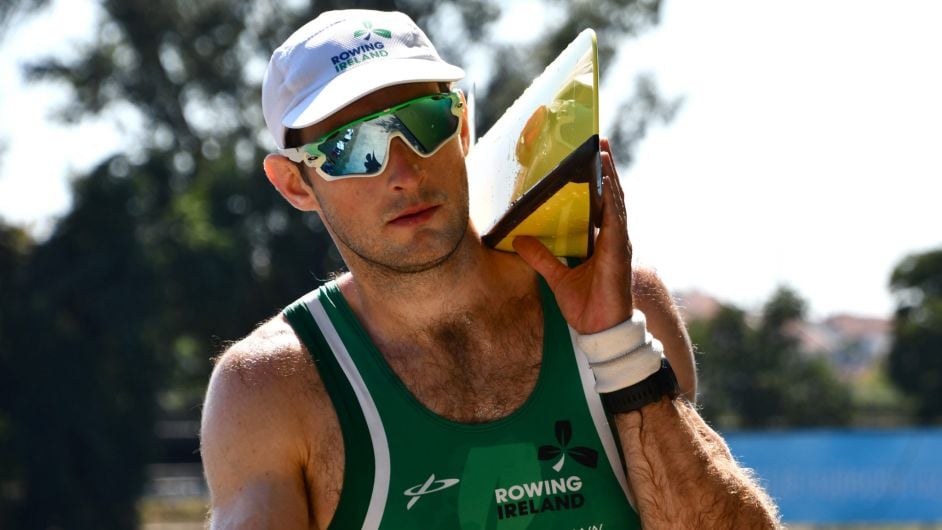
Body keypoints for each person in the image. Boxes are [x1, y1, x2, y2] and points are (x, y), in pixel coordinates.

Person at [200, 9, 781, 529]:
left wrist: (616, 346)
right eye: (353, 146)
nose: (403, 169)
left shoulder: (627, 309)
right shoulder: (271, 389)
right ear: (295, 182)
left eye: (425, 121)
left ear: (462, 126)